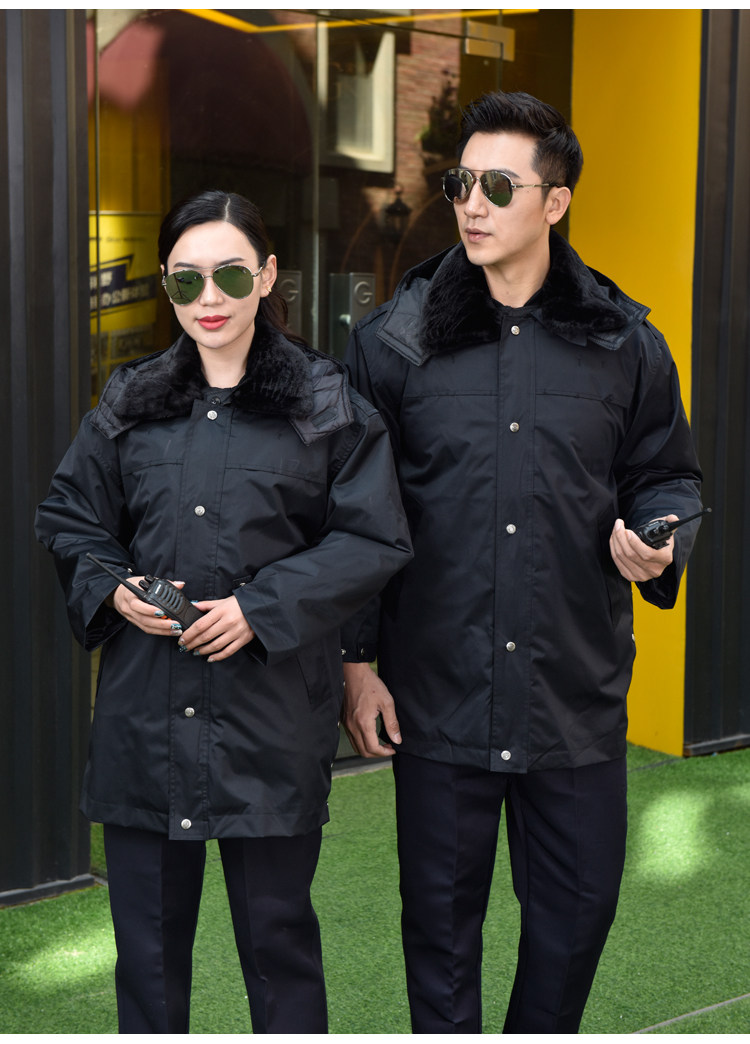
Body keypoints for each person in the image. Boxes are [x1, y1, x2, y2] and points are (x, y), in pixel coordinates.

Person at [341, 91, 703, 1033]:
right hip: (437, 700)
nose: (472, 204)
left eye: (499, 187)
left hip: (572, 699)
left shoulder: (626, 343)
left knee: (575, 923)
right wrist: (355, 663)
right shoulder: (391, 343)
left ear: (556, 202)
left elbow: (665, 476)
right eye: (462, 183)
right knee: (440, 938)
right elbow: (355, 512)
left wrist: (657, 534)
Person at [35, 190, 412, 1035]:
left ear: (267, 276)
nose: (210, 298)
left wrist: (258, 608)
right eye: (187, 279)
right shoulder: (131, 399)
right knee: (148, 961)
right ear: (166, 284)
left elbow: (373, 538)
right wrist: (114, 588)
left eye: (232, 275)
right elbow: (69, 518)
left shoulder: (326, 401)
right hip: (143, 721)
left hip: (269, 723)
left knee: (280, 951)